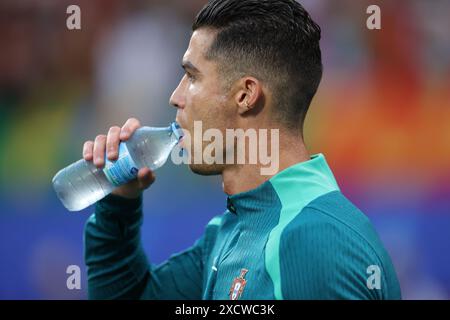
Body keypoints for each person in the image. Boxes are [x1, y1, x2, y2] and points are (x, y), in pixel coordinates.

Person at [83, 0, 401, 300]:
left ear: (246, 95)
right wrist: (119, 205)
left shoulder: (312, 242)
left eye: (192, 77)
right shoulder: (232, 232)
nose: (175, 97)